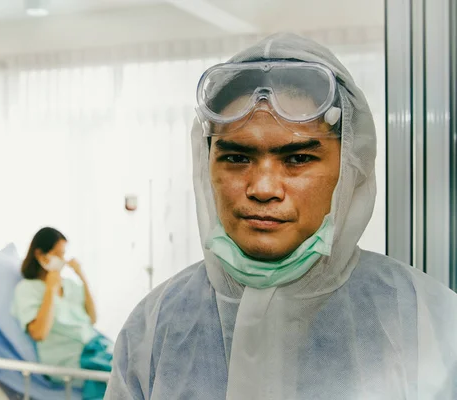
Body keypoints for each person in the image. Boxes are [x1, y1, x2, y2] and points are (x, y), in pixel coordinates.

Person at [104, 33, 457, 399]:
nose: (263, 188)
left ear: (350, 168)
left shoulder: (430, 321)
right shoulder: (154, 327)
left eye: (298, 158)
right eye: (237, 158)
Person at [11, 227, 112, 399]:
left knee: (137, 361)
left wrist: (82, 276)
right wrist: (50, 288)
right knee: (127, 372)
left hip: (94, 347)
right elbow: (39, 333)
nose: (62, 259)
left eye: (63, 253)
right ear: (40, 255)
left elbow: (92, 319)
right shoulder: (27, 289)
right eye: (57, 254)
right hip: (70, 358)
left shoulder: (70, 285)